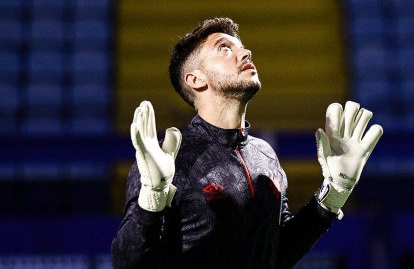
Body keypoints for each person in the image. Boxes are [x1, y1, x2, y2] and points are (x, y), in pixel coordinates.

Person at [111, 17, 383, 269]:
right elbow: (127, 263)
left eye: (241, 47)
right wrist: (151, 199)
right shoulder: (168, 159)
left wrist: (334, 194)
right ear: (195, 80)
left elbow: (278, 254)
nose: (245, 53)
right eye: (224, 49)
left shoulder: (264, 155)